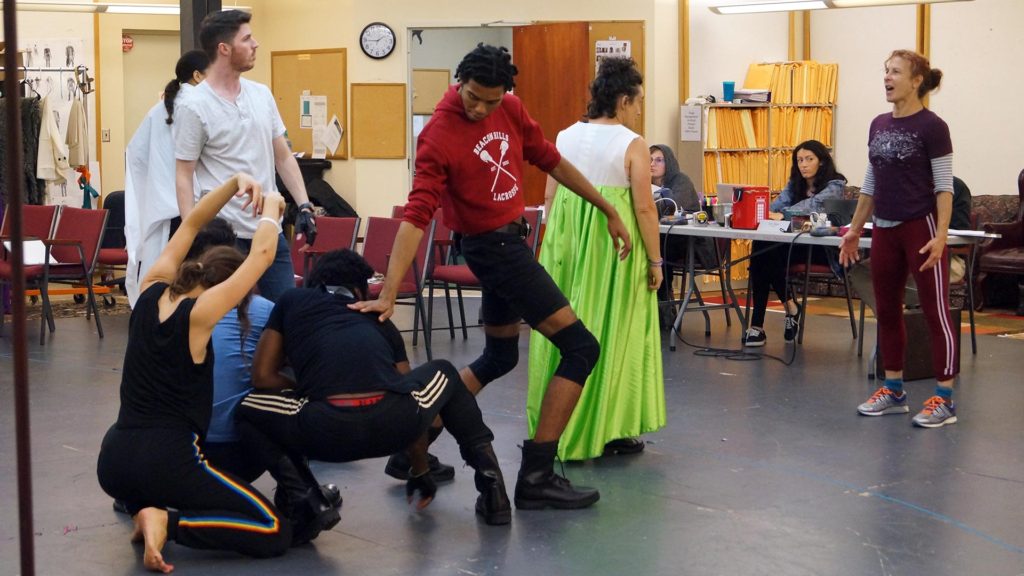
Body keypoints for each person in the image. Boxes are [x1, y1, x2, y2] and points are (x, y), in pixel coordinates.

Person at [350, 43, 632, 510]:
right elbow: (418, 214)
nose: (480, 108)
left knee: (500, 356)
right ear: (459, 81)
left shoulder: (512, 109)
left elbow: (549, 159)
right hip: (492, 250)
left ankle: (413, 445)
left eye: (492, 100)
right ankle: (537, 473)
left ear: (507, 93)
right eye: (473, 96)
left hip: (509, 242)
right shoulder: (438, 134)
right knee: (582, 347)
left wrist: (605, 208)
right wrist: (389, 291)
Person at [236, 249, 514, 529]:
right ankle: (494, 493)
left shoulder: (291, 300)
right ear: (360, 290)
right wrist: (419, 470)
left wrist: (307, 388)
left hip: (324, 431)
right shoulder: (379, 319)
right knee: (446, 373)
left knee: (248, 409)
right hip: (393, 425)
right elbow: (407, 392)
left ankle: (308, 499)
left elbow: (262, 377)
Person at [97, 174, 291, 573]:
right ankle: (167, 521)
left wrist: (233, 182)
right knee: (274, 528)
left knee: (151, 481)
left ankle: (144, 510)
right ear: (222, 286)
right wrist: (272, 206)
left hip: (113, 461)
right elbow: (262, 257)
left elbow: (190, 224)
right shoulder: (200, 316)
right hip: (168, 461)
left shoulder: (149, 288)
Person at [528, 57, 665, 461]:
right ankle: (606, 427)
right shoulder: (631, 143)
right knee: (614, 333)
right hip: (612, 251)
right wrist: (655, 261)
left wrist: (556, 246)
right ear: (623, 100)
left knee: (564, 333)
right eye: (637, 100)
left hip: (566, 249)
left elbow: (551, 196)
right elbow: (643, 210)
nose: (639, 109)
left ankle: (555, 428)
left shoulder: (565, 136)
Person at [839, 49, 958, 428]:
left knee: (935, 311)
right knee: (887, 312)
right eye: (885, 71)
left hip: (920, 229)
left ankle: (945, 397)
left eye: (895, 72)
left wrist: (941, 237)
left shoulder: (933, 126)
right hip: (885, 229)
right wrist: (855, 230)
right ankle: (894, 391)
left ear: (916, 80)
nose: (887, 78)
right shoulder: (878, 124)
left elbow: (944, 187)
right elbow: (872, 182)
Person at [174, 10, 316, 302]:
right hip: (224, 236)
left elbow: (284, 157)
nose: (256, 44)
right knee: (224, 317)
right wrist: (191, 231)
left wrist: (304, 205)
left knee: (285, 312)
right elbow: (184, 174)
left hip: (268, 229)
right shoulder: (194, 105)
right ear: (224, 49)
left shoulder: (261, 94)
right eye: (247, 38)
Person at [124, 50, 209, 307]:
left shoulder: (157, 110)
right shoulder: (199, 106)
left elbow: (135, 154)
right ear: (197, 75)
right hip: (193, 208)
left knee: (163, 283)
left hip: (164, 209)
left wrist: (154, 190)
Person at [744, 140, 847, 347]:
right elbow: (775, 206)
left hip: (821, 248)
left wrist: (781, 214)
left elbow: (813, 206)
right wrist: (770, 212)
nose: (803, 165)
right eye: (799, 160)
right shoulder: (795, 184)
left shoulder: (835, 184)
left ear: (822, 162)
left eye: (809, 159)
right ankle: (768, 319)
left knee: (766, 253)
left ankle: (765, 322)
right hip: (791, 245)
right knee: (763, 249)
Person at [649, 143, 714, 326]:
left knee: (658, 247)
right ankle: (659, 304)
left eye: (659, 160)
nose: (653, 164)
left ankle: (664, 304)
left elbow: (669, 207)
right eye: (650, 160)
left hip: (692, 244)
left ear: (669, 162)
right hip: (666, 240)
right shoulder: (646, 183)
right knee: (651, 245)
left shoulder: (681, 181)